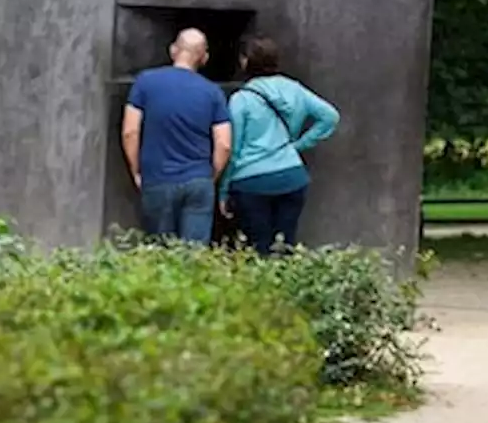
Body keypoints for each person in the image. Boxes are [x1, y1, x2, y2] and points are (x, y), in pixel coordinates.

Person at [218, 36, 340, 255]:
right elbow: (330, 116)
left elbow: (233, 149)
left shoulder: (242, 98)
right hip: (292, 176)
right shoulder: (294, 88)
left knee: (258, 248)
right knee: (285, 245)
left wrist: (224, 190)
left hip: (250, 181)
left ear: (246, 62)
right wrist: (298, 145)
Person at [121, 28, 232, 244]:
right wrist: (210, 177)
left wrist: (136, 171)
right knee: (193, 256)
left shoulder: (145, 82)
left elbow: (130, 131)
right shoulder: (213, 92)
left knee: (161, 254)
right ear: (205, 57)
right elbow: (224, 143)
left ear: (173, 50)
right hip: (198, 180)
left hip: (157, 178)